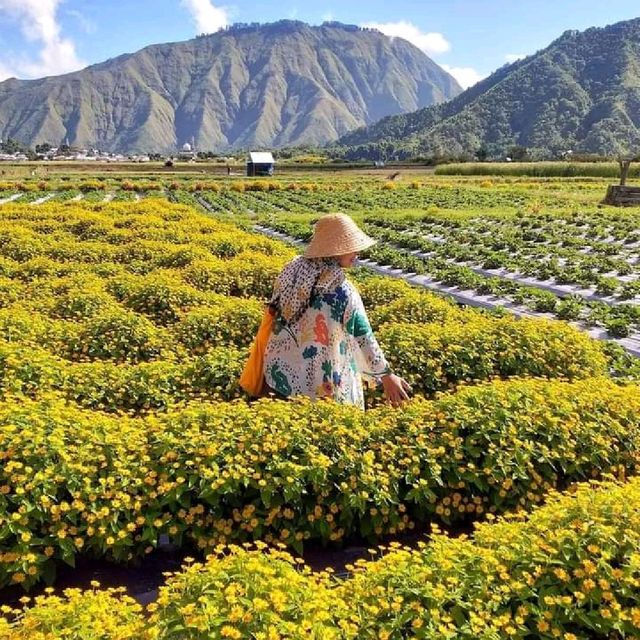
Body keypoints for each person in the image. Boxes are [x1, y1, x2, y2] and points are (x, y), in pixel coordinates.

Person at [263, 213, 411, 409]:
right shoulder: (341, 291)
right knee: (323, 428)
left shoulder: (292, 271)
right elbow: (363, 335)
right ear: (335, 251)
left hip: (281, 373)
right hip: (320, 382)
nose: (356, 252)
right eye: (350, 247)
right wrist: (386, 375)